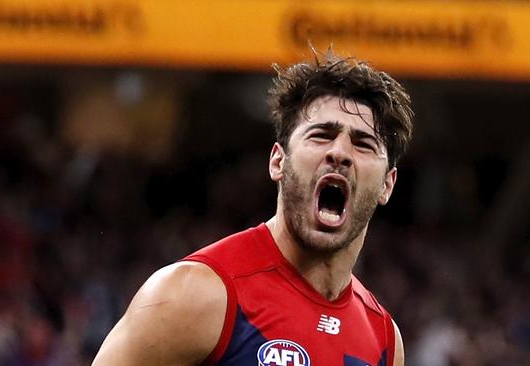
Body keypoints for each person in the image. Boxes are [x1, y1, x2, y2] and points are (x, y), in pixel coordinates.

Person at [92, 49, 414, 366]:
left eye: (362, 144)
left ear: (387, 184)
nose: (340, 152)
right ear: (278, 161)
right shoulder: (195, 295)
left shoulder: (383, 339)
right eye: (321, 135)